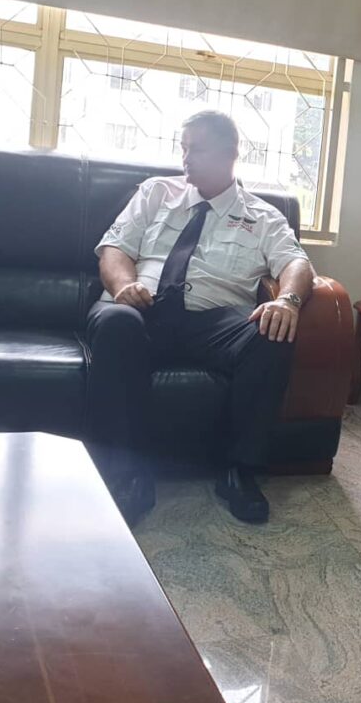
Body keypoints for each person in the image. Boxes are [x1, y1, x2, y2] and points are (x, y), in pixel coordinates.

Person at [87, 110, 315, 526]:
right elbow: (114, 250)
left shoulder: (263, 217)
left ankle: (238, 470)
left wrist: (289, 302)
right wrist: (123, 287)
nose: (186, 158)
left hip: (212, 322)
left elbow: (297, 265)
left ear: (231, 154)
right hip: (140, 307)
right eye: (183, 148)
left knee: (271, 333)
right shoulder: (157, 193)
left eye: (198, 149)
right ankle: (127, 472)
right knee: (117, 324)